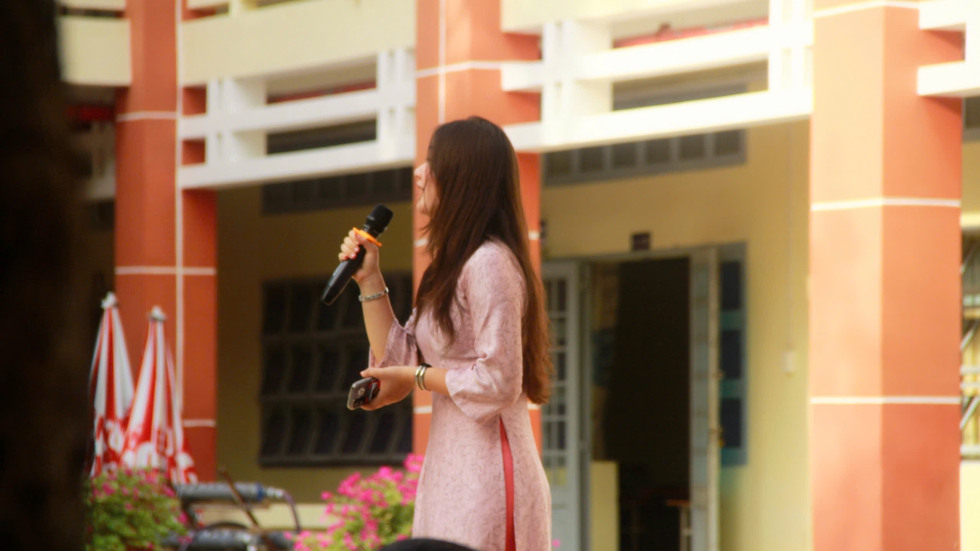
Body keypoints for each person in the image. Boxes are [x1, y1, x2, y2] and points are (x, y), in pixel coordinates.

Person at [339, 116, 553, 551]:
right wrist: (367, 280)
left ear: (463, 178)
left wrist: (415, 378)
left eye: (432, 162)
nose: (419, 172)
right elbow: (400, 358)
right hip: (448, 472)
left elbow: (498, 381)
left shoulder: (490, 262)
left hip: (489, 474)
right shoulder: (450, 267)